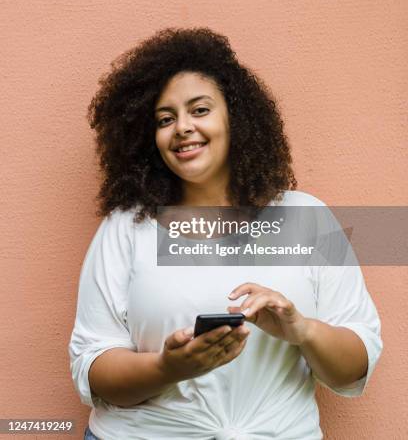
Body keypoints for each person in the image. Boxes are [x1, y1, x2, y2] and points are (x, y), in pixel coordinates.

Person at [69, 27, 382, 440]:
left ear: (237, 117)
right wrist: (170, 368)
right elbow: (91, 366)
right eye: (165, 119)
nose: (181, 127)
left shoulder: (307, 217)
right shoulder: (128, 228)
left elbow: (354, 368)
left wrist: (301, 329)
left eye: (199, 110)